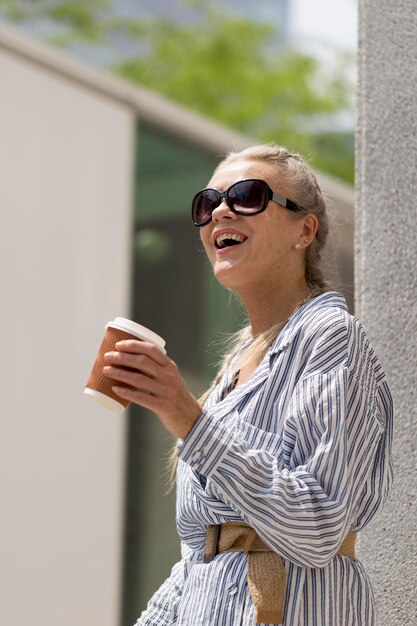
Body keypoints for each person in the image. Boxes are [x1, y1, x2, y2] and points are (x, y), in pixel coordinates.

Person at [103, 144, 394, 626]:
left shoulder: (329, 337)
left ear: (305, 229)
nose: (220, 210)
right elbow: (200, 556)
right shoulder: (235, 366)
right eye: (207, 202)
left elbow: (318, 525)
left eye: (248, 195)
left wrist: (190, 420)